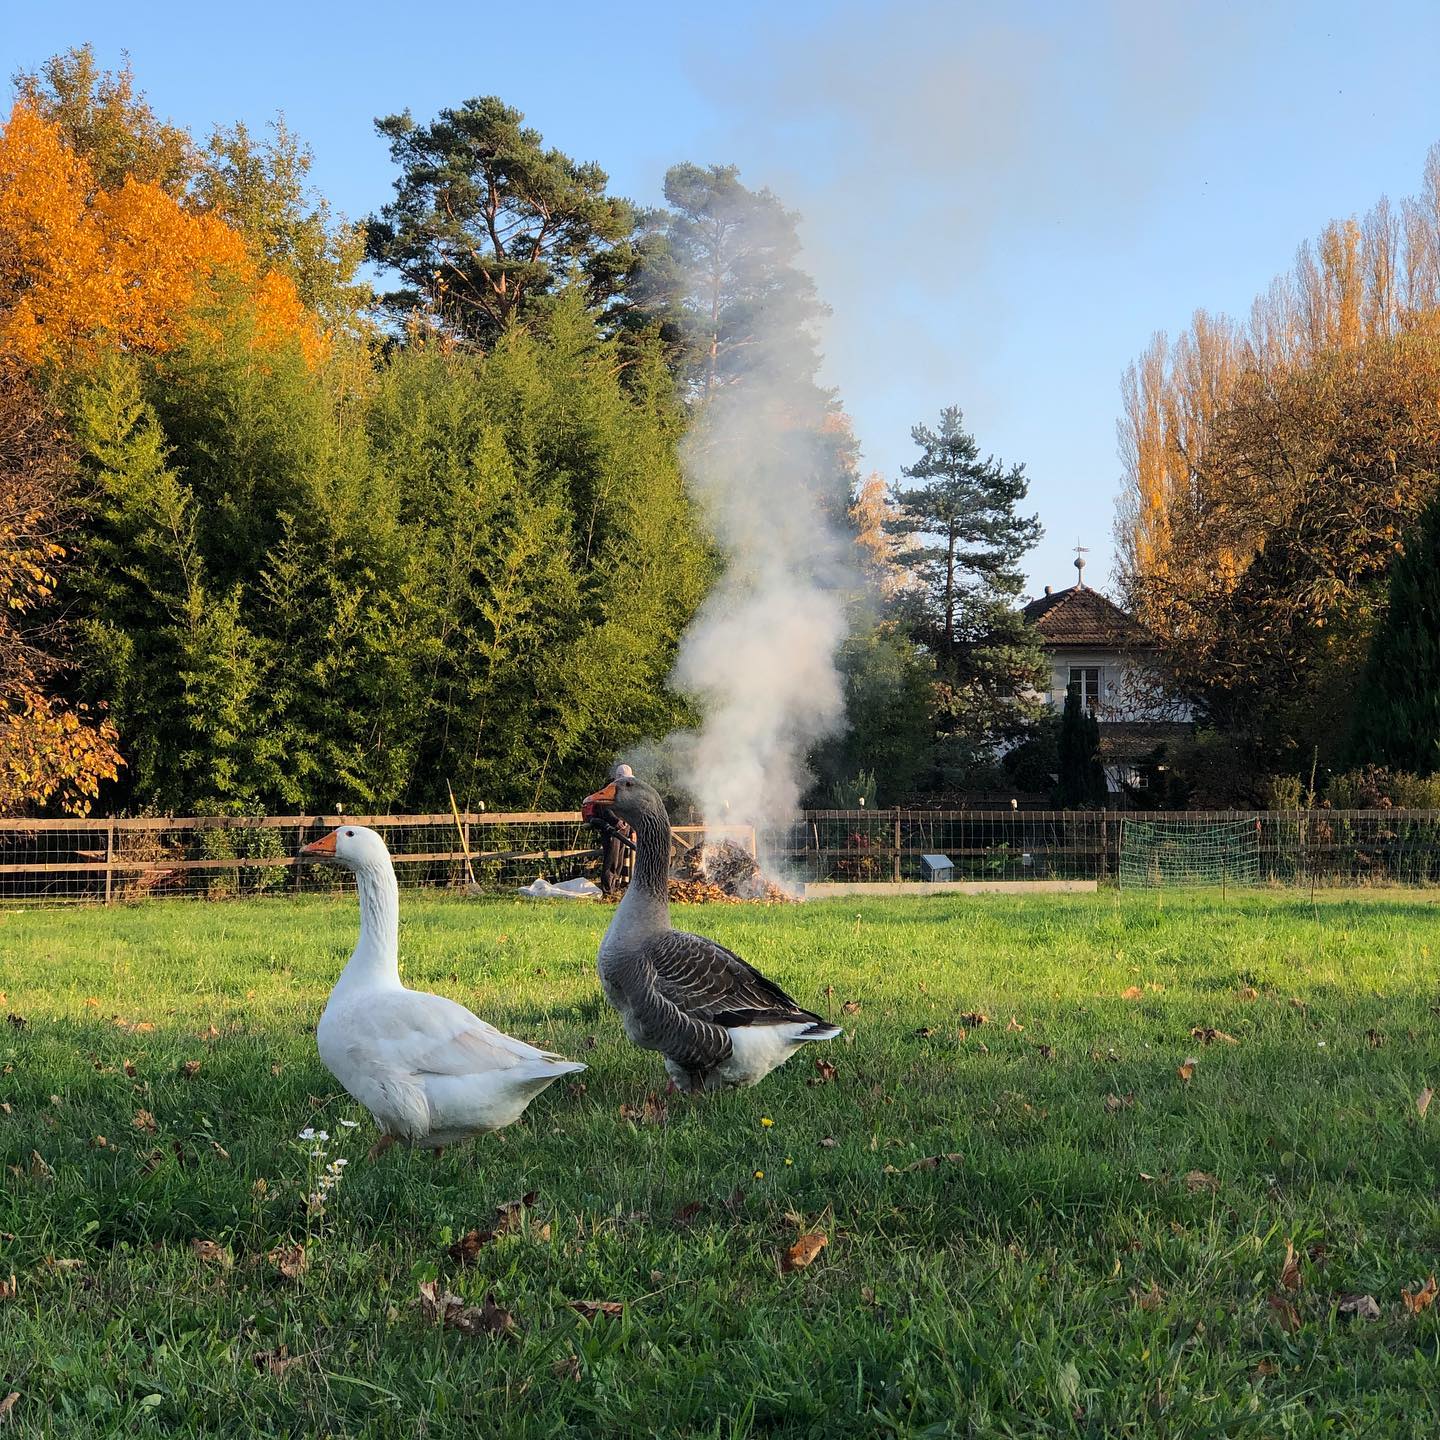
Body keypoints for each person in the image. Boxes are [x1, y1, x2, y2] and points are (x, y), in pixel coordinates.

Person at [598, 763, 636, 897]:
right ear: (619, 778)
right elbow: (606, 810)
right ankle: (607, 891)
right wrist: (617, 821)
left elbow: (630, 811)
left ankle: (616, 887)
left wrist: (632, 831)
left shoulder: (627, 792)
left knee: (619, 861)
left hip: (624, 830)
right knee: (611, 860)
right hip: (611, 831)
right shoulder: (608, 791)